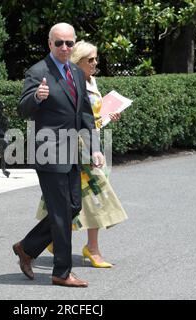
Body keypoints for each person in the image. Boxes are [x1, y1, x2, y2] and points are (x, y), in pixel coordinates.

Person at [13, 23, 104, 288]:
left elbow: (85, 115)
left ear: (74, 44)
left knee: (73, 207)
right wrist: (37, 98)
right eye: (59, 43)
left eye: (69, 43)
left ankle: (27, 247)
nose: (64, 47)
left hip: (71, 153)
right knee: (63, 213)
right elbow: (22, 108)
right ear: (49, 44)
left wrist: (95, 147)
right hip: (49, 152)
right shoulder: (38, 71)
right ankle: (61, 272)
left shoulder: (76, 73)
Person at [36, 40, 128, 268]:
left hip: (94, 145)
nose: (95, 63)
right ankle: (88, 248)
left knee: (80, 198)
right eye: (91, 60)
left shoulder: (91, 81)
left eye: (96, 58)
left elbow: (90, 116)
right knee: (90, 197)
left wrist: (107, 116)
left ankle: (67, 243)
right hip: (78, 147)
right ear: (78, 62)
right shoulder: (72, 83)